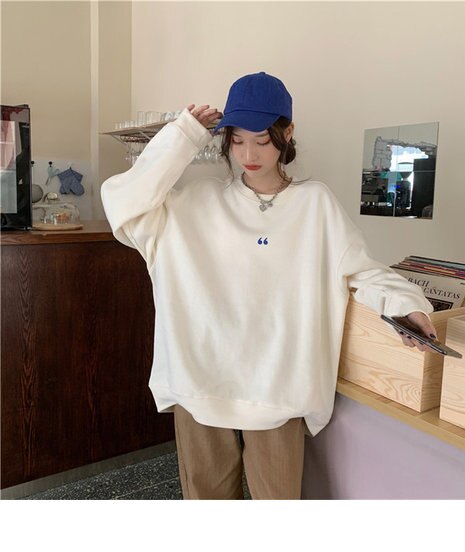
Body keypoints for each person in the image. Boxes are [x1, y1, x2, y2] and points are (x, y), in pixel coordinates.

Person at [101, 72, 437, 500]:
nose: (248, 154)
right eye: (237, 140)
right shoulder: (196, 204)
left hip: (278, 390)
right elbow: (122, 203)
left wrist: (407, 305)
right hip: (200, 384)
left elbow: (363, 271)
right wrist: (182, 136)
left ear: (287, 133)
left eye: (261, 140)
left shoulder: (314, 204)